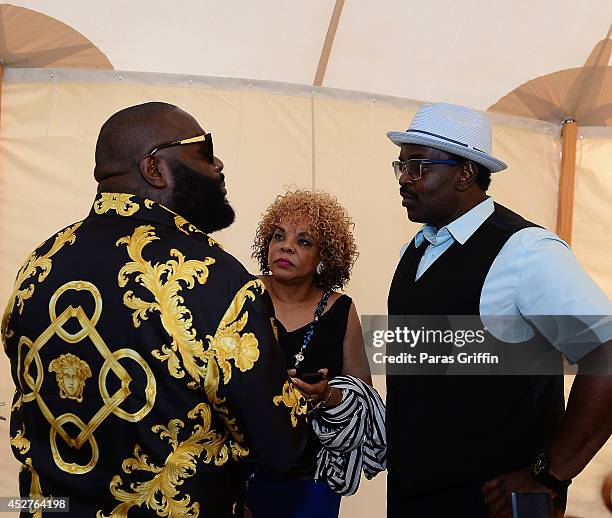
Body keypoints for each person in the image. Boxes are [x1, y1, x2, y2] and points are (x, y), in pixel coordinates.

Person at [1, 102, 309, 517]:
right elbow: (278, 443)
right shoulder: (213, 277)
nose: (217, 164)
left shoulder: (39, 264)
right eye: (203, 151)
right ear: (154, 169)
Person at [385, 102, 612, 518]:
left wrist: (550, 475)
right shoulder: (413, 253)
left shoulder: (526, 251)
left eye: (417, 167)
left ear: (465, 173)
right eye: (400, 167)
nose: (403, 180)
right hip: (414, 496)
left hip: (493, 503)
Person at [246, 190, 372, 518]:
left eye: (304, 241)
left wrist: (325, 395)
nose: (286, 246)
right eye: (278, 236)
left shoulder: (341, 309)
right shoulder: (240, 297)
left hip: (312, 478)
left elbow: (363, 400)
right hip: (237, 471)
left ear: (324, 257)